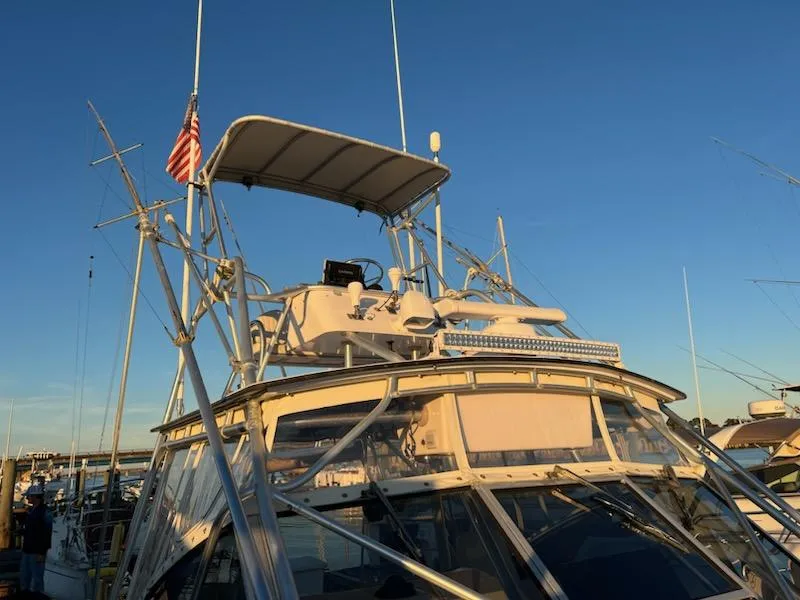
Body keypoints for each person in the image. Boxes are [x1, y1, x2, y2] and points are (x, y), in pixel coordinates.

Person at [19, 485, 52, 595]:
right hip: (27, 549)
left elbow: (47, 533)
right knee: (24, 577)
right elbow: (30, 530)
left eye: (29, 496)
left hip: (36, 551)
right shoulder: (31, 511)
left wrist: (42, 552)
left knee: (37, 578)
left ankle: (38, 596)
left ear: (35, 497)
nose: (27, 499)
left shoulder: (45, 512)